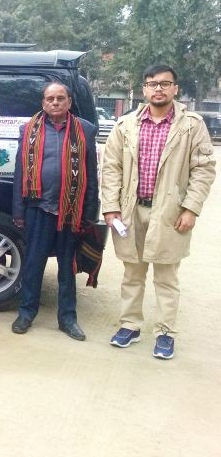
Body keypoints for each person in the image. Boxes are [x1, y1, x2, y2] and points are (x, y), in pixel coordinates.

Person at [102, 65, 215, 359]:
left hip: (170, 213)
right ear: (144, 89)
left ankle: (165, 332)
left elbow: (203, 169)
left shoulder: (191, 125)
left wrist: (191, 208)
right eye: (152, 84)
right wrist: (111, 208)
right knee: (132, 273)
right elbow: (111, 168)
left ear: (175, 88)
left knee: (166, 277)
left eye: (165, 84)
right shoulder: (125, 125)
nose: (159, 89)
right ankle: (130, 325)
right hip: (132, 211)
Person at [11, 82, 99, 341]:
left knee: (66, 269)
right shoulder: (28, 130)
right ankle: (26, 313)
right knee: (33, 265)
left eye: (61, 98)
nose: (55, 102)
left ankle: (67, 319)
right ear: (43, 103)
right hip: (38, 208)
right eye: (50, 98)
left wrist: (90, 212)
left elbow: (91, 174)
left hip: (71, 211)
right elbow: (19, 173)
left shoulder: (85, 130)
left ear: (69, 102)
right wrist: (18, 210)